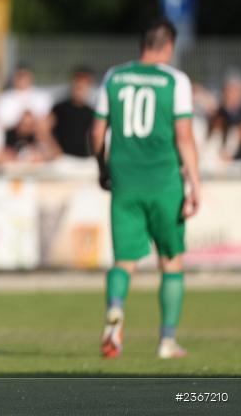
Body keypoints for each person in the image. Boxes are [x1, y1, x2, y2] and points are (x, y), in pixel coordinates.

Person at [91, 19, 200, 360]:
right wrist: (195, 182)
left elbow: (97, 134)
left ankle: (115, 313)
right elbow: (183, 135)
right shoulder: (175, 80)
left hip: (125, 181)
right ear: (168, 46)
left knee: (124, 260)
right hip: (164, 181)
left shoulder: (114, 76)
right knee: (171, 261)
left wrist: (102, 168)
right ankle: (167, 341)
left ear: (142, 44)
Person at [50, 66, 95, 158]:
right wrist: (54, 148)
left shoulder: (91, 112)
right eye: (77, 85)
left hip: (85, 160)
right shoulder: (59, 109)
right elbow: (43, 130)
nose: (79, 89)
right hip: (62, 160)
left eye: (83, 86)